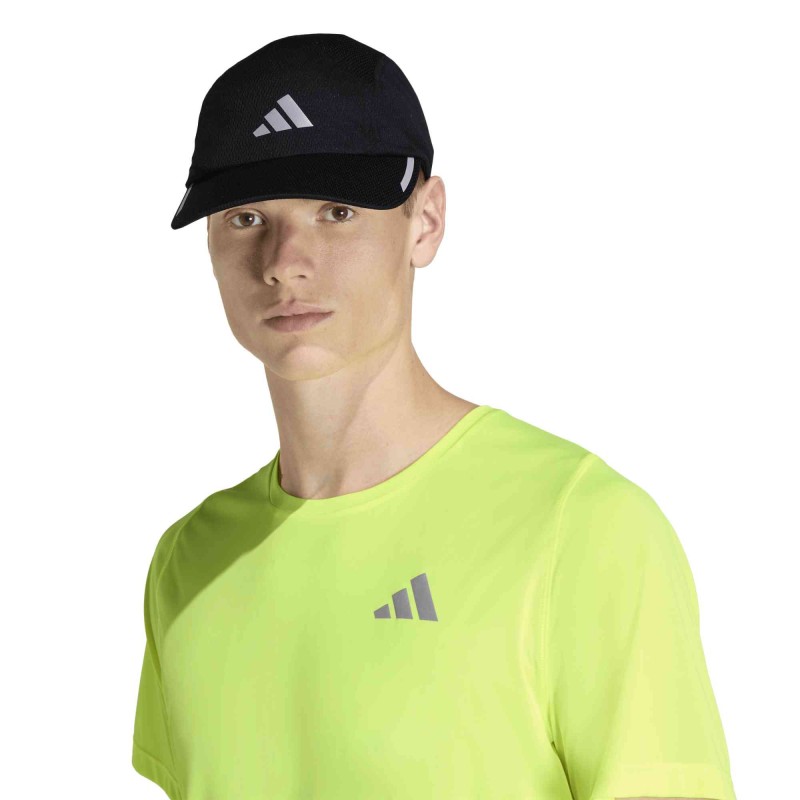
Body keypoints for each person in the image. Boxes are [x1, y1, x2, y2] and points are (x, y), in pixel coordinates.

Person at [131, 33, 737, 800]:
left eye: (336, 211)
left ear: (425, 222)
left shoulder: (581, 529)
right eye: (246, 218)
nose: (284, 262)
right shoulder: (188, 563)